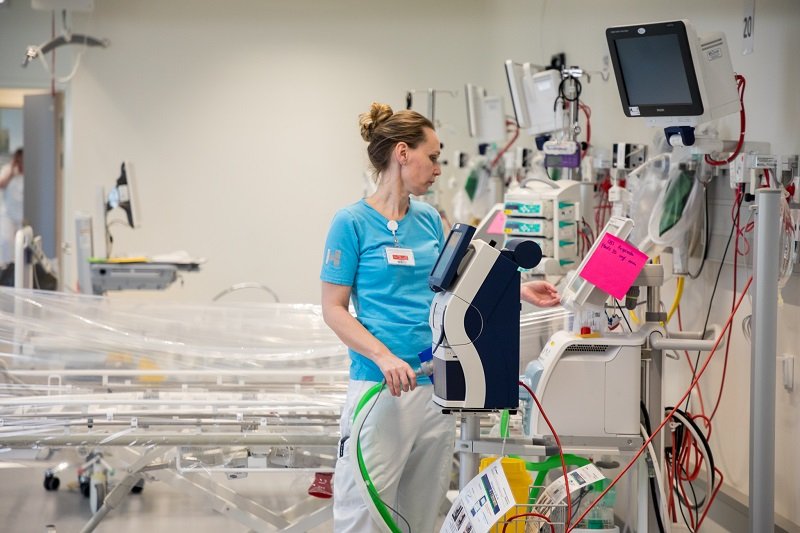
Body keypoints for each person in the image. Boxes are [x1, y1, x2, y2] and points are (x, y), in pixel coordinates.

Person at [321, 103, 560, 532]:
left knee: (420, 515)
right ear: (402, 153)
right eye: (432, 157)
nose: (437, 169)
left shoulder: (430, 219)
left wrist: (518, 288)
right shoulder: (351, 223)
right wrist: (383, 357)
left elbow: (459, 283)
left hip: (435, 387)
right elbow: (333, 309)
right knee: (364, 514)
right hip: (380, 388)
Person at [0, 148, 23, 266]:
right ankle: (6, 269)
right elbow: (1, 184)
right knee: (6, 242)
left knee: (22, 246)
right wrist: (12, 172)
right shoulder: (8, 170)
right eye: (18, 160)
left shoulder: (31, 172)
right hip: (7, 215)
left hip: (22, 217)